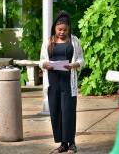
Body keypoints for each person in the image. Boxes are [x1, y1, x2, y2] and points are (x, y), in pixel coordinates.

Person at [39, 11, 84, 153]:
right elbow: (41, 60)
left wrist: (74, 65)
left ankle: (72, 143)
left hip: (68, 82)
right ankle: (63, 144)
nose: (62, 32)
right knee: (56, 112)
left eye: (64, 30)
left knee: (68, 112)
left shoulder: (74, 41)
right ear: (55, 28)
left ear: (68, 29)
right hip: (53, 82)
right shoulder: (48, 41)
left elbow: (81, 59)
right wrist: (45, 65)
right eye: (59, 30)